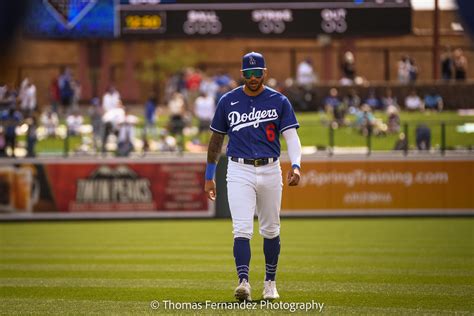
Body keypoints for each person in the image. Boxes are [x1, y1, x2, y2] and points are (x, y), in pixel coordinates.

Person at [204, 52, 302, 302]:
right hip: (238, 169)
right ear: (242, 74)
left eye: (257, 72)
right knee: (242, 229)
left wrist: (297, 165)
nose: (253, 77)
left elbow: (291, 136)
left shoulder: (279, 100)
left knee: (270, 229)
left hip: (270, 169)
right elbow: (216, 140)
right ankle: (244, 282)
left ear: (265, 73)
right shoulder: (228, 101)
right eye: (248, 73)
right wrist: (209, 174)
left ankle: (270, 283)